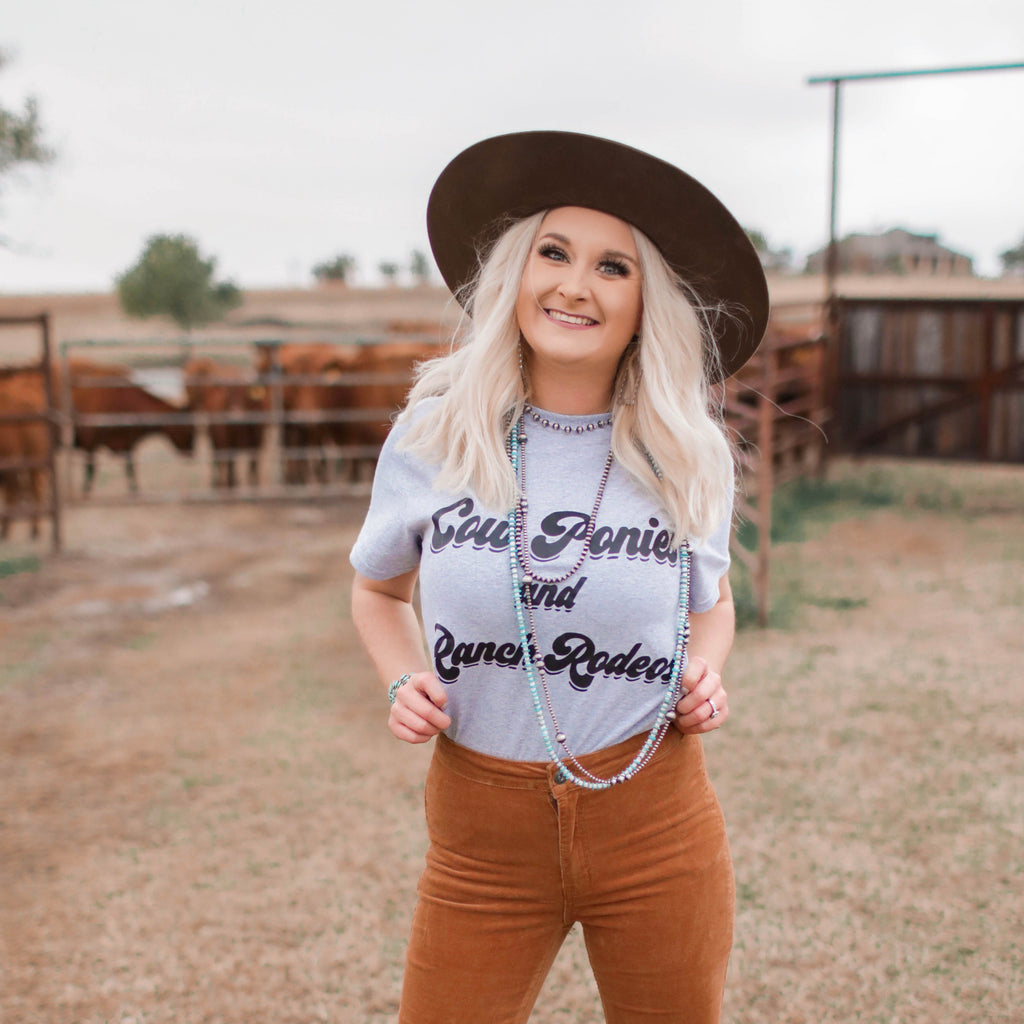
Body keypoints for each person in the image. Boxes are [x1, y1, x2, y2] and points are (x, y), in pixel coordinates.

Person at [350, 131, 769, 1024]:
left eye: (613, 267)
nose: (575, 284)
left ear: (644, 302)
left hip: (655, 821)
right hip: (480, 837)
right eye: (554, 252)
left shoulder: (686, 452)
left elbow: (713, 607)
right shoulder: (434, 435)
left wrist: (704, 670)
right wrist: (401, 676)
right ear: (515, 273)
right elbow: (378, 590)